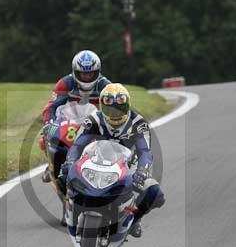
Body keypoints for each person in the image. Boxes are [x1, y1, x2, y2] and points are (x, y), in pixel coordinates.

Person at [59, 83, 164, 238]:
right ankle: (72, 207)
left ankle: (134, 218)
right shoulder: (93, 120)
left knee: (154, 192)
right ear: (102, 106)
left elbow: (145, 152)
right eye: (110, 108)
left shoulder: (139, 124)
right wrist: (71, 161)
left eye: (119, 108)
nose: (115, 113)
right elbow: (77, 145)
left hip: (129, 165)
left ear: (127, 106)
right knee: (63, 175)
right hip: (96, 161)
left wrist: (142, 170)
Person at [39, 50, 112, 182]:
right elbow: (52, 106)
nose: (87, 77)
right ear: (76, 72)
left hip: (96, 122)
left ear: (97, 71)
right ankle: (52, 165)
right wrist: (49, 123)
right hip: (70, 120)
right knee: (46, 139)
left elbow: (115, 106)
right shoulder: (65, 83)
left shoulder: (105, 85)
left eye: (90, 73)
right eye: (83, 73)